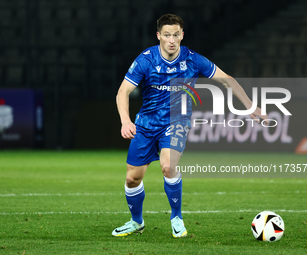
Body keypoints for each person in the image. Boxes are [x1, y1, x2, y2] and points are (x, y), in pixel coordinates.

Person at [113, 14, 268, 238]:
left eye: (176, 35)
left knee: (168, 165)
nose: (171, 40)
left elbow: (227, 79)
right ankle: (136, 221)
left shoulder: (193, 59)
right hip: (146, 124)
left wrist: (250, 107)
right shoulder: (146, 60)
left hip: (177, 121)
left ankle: (176, 217)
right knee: (132, 178)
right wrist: (125, 121)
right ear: (159, 36)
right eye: (167, 35)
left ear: (182, 35)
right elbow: (123, 92)